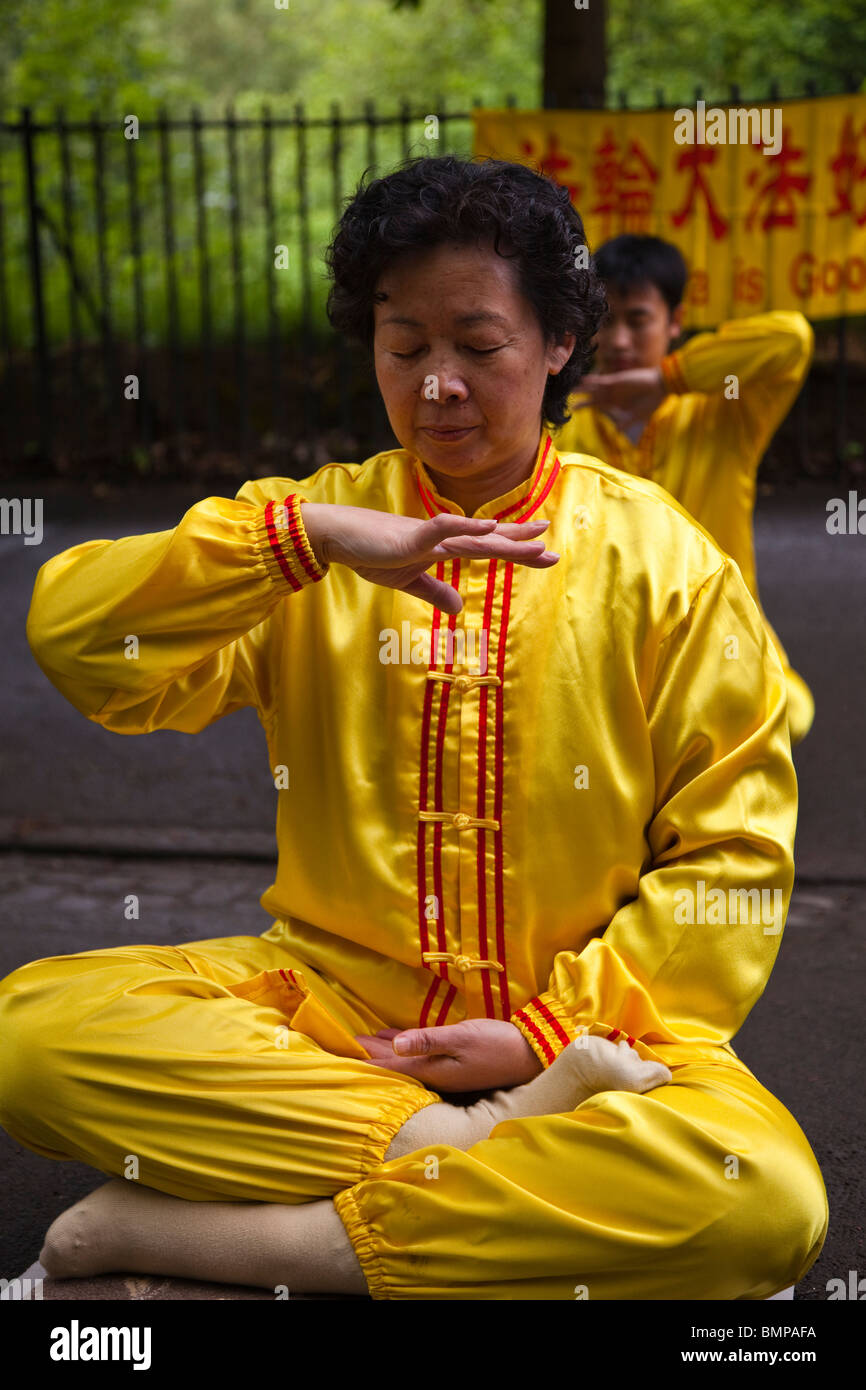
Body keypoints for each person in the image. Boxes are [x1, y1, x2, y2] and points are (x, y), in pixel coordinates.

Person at [0, 155, 827, 1301]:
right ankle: (454, 1154)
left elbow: (731, 863)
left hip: (588, 1028)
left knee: (764, 1198)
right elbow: (83, 643)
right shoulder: (312, 529)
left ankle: (281, 1242)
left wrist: (542, 1032)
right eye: (403, 348)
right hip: (327, 1018)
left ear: (554, 348)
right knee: (28, 1037)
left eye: (477, 347)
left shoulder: (664, 560)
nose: (436, 384)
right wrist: (303, 542)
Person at [551, 234, 815, 745]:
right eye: (607, 321)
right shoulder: (563, 429)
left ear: (674, 321)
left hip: (720, 641)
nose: (621, 340)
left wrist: (669, 378)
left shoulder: (723, 413)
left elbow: (793, 339)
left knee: (789, 715)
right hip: (608, 652)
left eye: (639, 318)